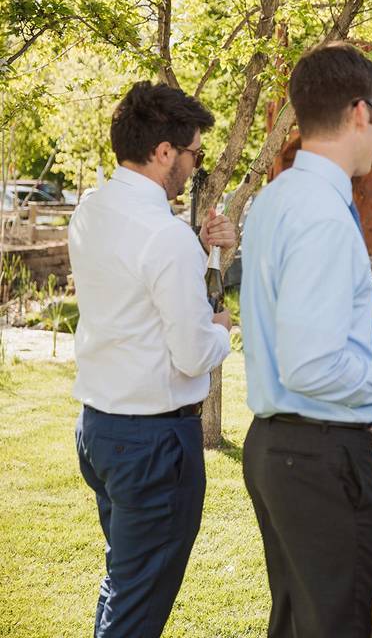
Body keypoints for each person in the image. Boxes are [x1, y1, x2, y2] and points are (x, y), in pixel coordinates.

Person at [239, 43, 372, 637]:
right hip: (321, 455)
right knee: (337, 624)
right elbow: (310, 365)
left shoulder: (277, 199)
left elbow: (297, 330)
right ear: (361, 112)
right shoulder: (324, 216)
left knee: (299, 621)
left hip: (281, 449)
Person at [69, 81, 236, 637]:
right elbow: (192, 354)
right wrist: (222, 329)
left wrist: (210, 253)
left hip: (100, 430)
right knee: (137, 609)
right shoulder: (166, 239)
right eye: (193, 152)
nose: (194, 164)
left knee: (125, 581)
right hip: (155, 447)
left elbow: (137, 287)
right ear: (164, 152)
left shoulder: (90, 211)